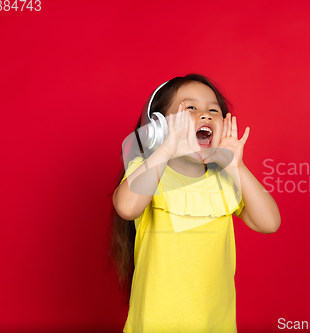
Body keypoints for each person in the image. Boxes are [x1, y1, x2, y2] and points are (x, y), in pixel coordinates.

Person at [110, 73, 281, 333]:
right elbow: (127, 207)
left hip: (215, 325)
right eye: (190, 107)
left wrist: (237, 166)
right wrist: (166, 149)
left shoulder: (225, 180)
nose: (205, 114)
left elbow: (270, 223)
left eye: (214, 110)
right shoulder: (148, 172)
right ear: (160, 126)